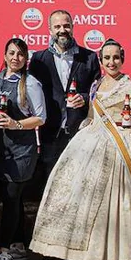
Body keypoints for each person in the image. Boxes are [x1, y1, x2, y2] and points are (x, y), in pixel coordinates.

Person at [31, 39, 131, 260]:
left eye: (116, 57)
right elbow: (92, 116)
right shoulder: (96, 85)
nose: (111, 62)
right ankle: (84, 252)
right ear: (101, 61)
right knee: (75, 191)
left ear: (122, 59)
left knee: (112, 203)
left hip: (121, 145)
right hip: (92, 142)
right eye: (107, 58)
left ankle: (110, 258)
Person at [0, 38, 46, 260]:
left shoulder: (31, 83)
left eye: (20, 54)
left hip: (22, 151)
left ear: (26, 58)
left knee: (12, 198)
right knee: (12, 198)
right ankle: (19, 245)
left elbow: (41, 118)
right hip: (1, 149)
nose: (15, 58)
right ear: (4, 54)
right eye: (11, 53)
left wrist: (16, 124)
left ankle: (4, 252)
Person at [29, 10, 102, 193]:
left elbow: (98, 91)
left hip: (80, 132)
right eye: (58, 26)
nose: (63, 30)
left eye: (66, 26)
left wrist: (84, 99)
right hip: (50, 133)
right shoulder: (38, 59)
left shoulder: (90, 57)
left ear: (73, 27)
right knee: (51, 185)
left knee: (80, 184)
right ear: (50, 30)